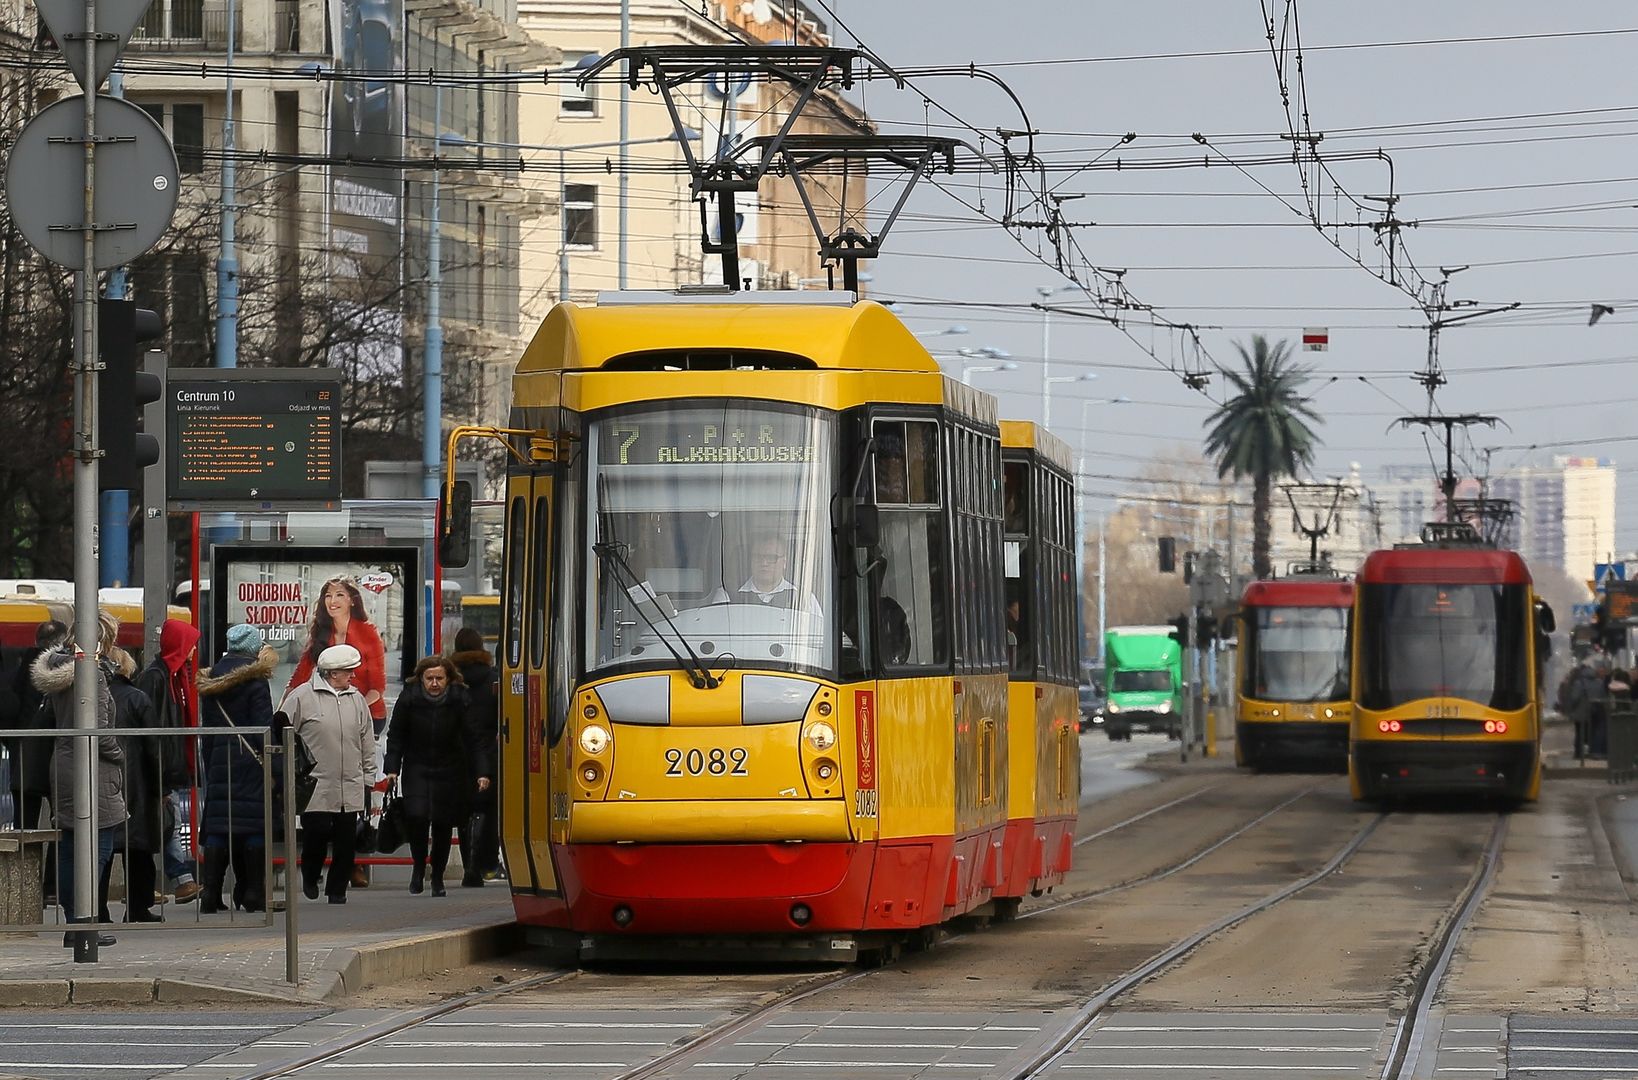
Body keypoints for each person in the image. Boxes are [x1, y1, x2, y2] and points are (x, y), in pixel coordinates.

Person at [32, 610, 125, 949]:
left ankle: (74, 923)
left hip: (65, 763)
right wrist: (120, 755)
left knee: (71, 847)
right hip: (93, 767)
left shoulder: (59, 670)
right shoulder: (92, 674)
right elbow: (100, 730)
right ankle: (84, 924)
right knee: (98, 846)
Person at [383, 656, 493, 896]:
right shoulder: (409, 698)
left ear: (448, 679)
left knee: (443, 823)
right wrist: (392, 767)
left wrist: (482, 772)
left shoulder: (459, 698)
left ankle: (438, 877)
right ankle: (419, 868)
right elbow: (396, 734)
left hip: (450, 767)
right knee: (417, 818)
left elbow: (474, 738)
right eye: (429, 678)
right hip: (417, 767)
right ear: (421, 678)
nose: (434, 683)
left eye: (439, 678)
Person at [280, 643, 376, 904]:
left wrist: (368, 777)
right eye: (348, 672)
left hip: (350, 782)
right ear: (333, 673)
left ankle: (337, 890)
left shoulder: (356, 699)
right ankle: (311, 874)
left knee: (347, 841)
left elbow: (367, 740)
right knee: (316, 834)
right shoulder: (301, 697)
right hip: (316, 784)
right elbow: (282, 732)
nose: (353, 676)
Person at [196, 624, 277, 913]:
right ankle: (254, 891)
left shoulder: (211, 679)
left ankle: (211, 893)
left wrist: (210, 761)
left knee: (219, 822)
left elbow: (208, 728)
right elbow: (262, 727)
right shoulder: (255, 680)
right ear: (254, 648)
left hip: (218, 757)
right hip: (249, 758)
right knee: (253, 822)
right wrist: (271, 761)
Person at [134, 618, 202, 903]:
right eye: (190, 645)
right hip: (158, 765)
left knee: (165, 821)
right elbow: (152, 727)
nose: (193, 651)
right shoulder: (157, 678)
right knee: (167, 821)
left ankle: (150, 884)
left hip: (166, 765)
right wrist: (160, 770)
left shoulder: (173, 677)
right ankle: (180, 879)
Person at [100, 647, 165, 922]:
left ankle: (97, 911)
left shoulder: (92, 699)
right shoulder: (139, 699)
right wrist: (160, 785)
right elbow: (152, 748)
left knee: (100, 853)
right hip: (136, 783)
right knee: (137, 851)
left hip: (101, 781)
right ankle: (138, 908)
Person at [9, 621, 65, 897]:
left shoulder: (19, 671)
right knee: (62, 822)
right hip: (57, 756)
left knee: (25, 828)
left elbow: (9, 709)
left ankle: (24, 889)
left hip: (23, 758)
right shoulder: (61, 670)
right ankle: (53, 886)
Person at [286, 576, 387, 728]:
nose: (332, 601)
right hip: (330, 714)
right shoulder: (321, 632)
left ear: (352, 601)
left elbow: (377, 688)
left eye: (339, 594)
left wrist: (350, 711)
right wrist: (282, 711)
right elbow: (299, 677)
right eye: (328, 595)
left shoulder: (368, 632)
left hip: (368, 713)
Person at [450, 628, 500, 885]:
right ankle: (487, 864)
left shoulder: (451, 680)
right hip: (490, 753)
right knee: (489, 810)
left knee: (464, 811)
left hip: (458, 753)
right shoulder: (494, 680)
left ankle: (469, 864)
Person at [708, 533, 823, 614]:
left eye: (771, 557)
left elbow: (820, 638)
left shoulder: (804, 599)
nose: (764, 563)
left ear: (784, 562)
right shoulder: (726, 596)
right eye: (758, 557)